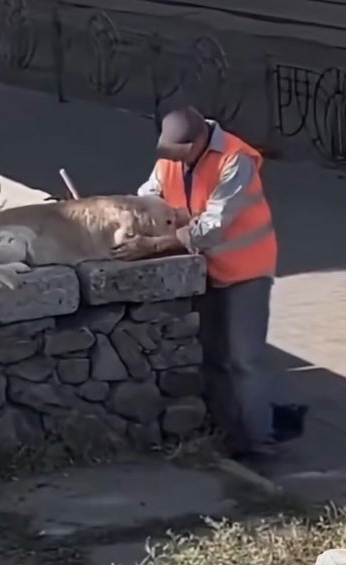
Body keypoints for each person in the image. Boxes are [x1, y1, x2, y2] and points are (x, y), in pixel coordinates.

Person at [119, 107, 298, 459]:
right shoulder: (172, 157)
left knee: (243, 360)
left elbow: (214, 225)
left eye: (177, 151)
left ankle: (261, 442)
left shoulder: (235, 160)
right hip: (205, 269)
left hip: (245, 270)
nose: (170, 158)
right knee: (214, 358)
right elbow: (149, 198)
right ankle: (230, 435)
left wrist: (154, 244)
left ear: (198, 141)